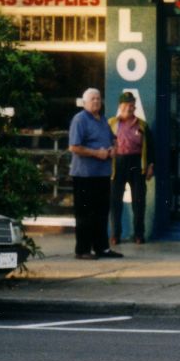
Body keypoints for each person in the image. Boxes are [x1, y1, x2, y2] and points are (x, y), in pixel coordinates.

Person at [68, 88, 123, 260]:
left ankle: (102, 248)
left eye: (98, 99)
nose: (96, 102)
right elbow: (74, 147)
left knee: (101, 212)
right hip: (85, 175)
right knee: (85, 214)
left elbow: (113, 138)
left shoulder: (103, 120)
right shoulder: (80, 120)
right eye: (92, 99)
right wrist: (95, 153)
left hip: (102, 174)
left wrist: (113, 149)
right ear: (85, 102)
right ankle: (82, 250)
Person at [108, 91, 155, 246]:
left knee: (138, 201)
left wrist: (150, 165)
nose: (130, 107)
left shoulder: (142, 125)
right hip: (118, 164)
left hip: (136, 163)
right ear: (120, 106)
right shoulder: (111, 123)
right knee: (115, 202)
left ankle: (138, 234)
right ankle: (116, 234)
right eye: (127, 104)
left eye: (132, 104)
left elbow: (151, 148)